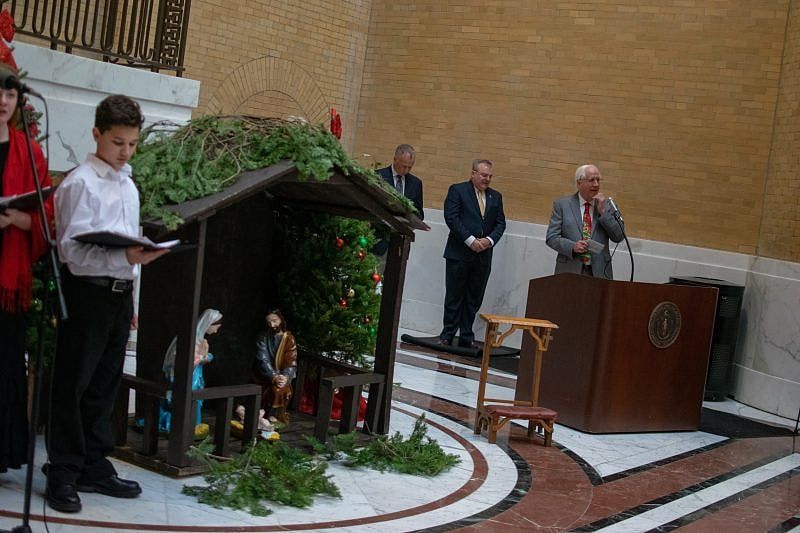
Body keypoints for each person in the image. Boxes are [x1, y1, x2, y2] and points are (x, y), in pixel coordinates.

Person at [47, 95, 169, 513]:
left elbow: (125, 245)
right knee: (73, 383)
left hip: (117, 296)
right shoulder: (80, 182)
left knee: (104, 384)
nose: (125, 151)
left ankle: (93, 464)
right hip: (86, 294)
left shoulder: (127, 183)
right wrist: (124, 257)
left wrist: (133, 273)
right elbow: (72, 253)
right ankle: (62, 469)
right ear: (97, 134)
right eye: (118, 142)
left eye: (132, 143)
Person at [0, 62, 54, 474]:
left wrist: (18, 220)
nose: (3, 101)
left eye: (11, 94)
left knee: (3, 362)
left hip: (7, 277)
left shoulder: (29, 150)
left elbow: (47, 215)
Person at [438, 159, 506, 349]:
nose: (487, 179)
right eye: (484, 175)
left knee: (474, 297)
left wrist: (489, 241)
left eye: (490, 176)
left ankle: (466, 335)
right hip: (459, 253)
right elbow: (451, 217)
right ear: (473, 173)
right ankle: (447, 334)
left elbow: (500, 223)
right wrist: (470, 240)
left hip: (483, 255)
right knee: (454, 295)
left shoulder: (496, 197)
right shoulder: (457, 190)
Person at [545, 164, 625, 279]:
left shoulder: (608, 206)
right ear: (579, 182)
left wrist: (603, 213)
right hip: (569, 271)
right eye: (592, 180)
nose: (596, 184)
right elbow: (551, 238)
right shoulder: (562, 205)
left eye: (598, 180)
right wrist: (573, 246)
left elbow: (619, 236)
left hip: (599, 273)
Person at [159, 309, 222, 435]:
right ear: (208, 323)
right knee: (188, 401)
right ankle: (179, 424)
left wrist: (205, 356)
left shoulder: (201, 339)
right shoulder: (190, 338)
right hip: (187, 378)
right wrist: (204, 355)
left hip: (196, 376)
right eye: (216, 327)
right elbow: (183, 361)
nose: (216, 331)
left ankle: (193, 424)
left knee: (195, 402)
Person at [252, 309, 297, 424]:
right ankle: (265, 417)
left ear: (281, 319)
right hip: (265, 375)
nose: (272, 325)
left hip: (282, 376)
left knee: (280, 389)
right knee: (272, 389)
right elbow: (263, 359)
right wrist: (274, 376)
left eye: (275, 321)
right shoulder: (263, 337)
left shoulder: (289, 338)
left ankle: (277, 417)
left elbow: (291, 360)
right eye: (269, 322)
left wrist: (285, 377)